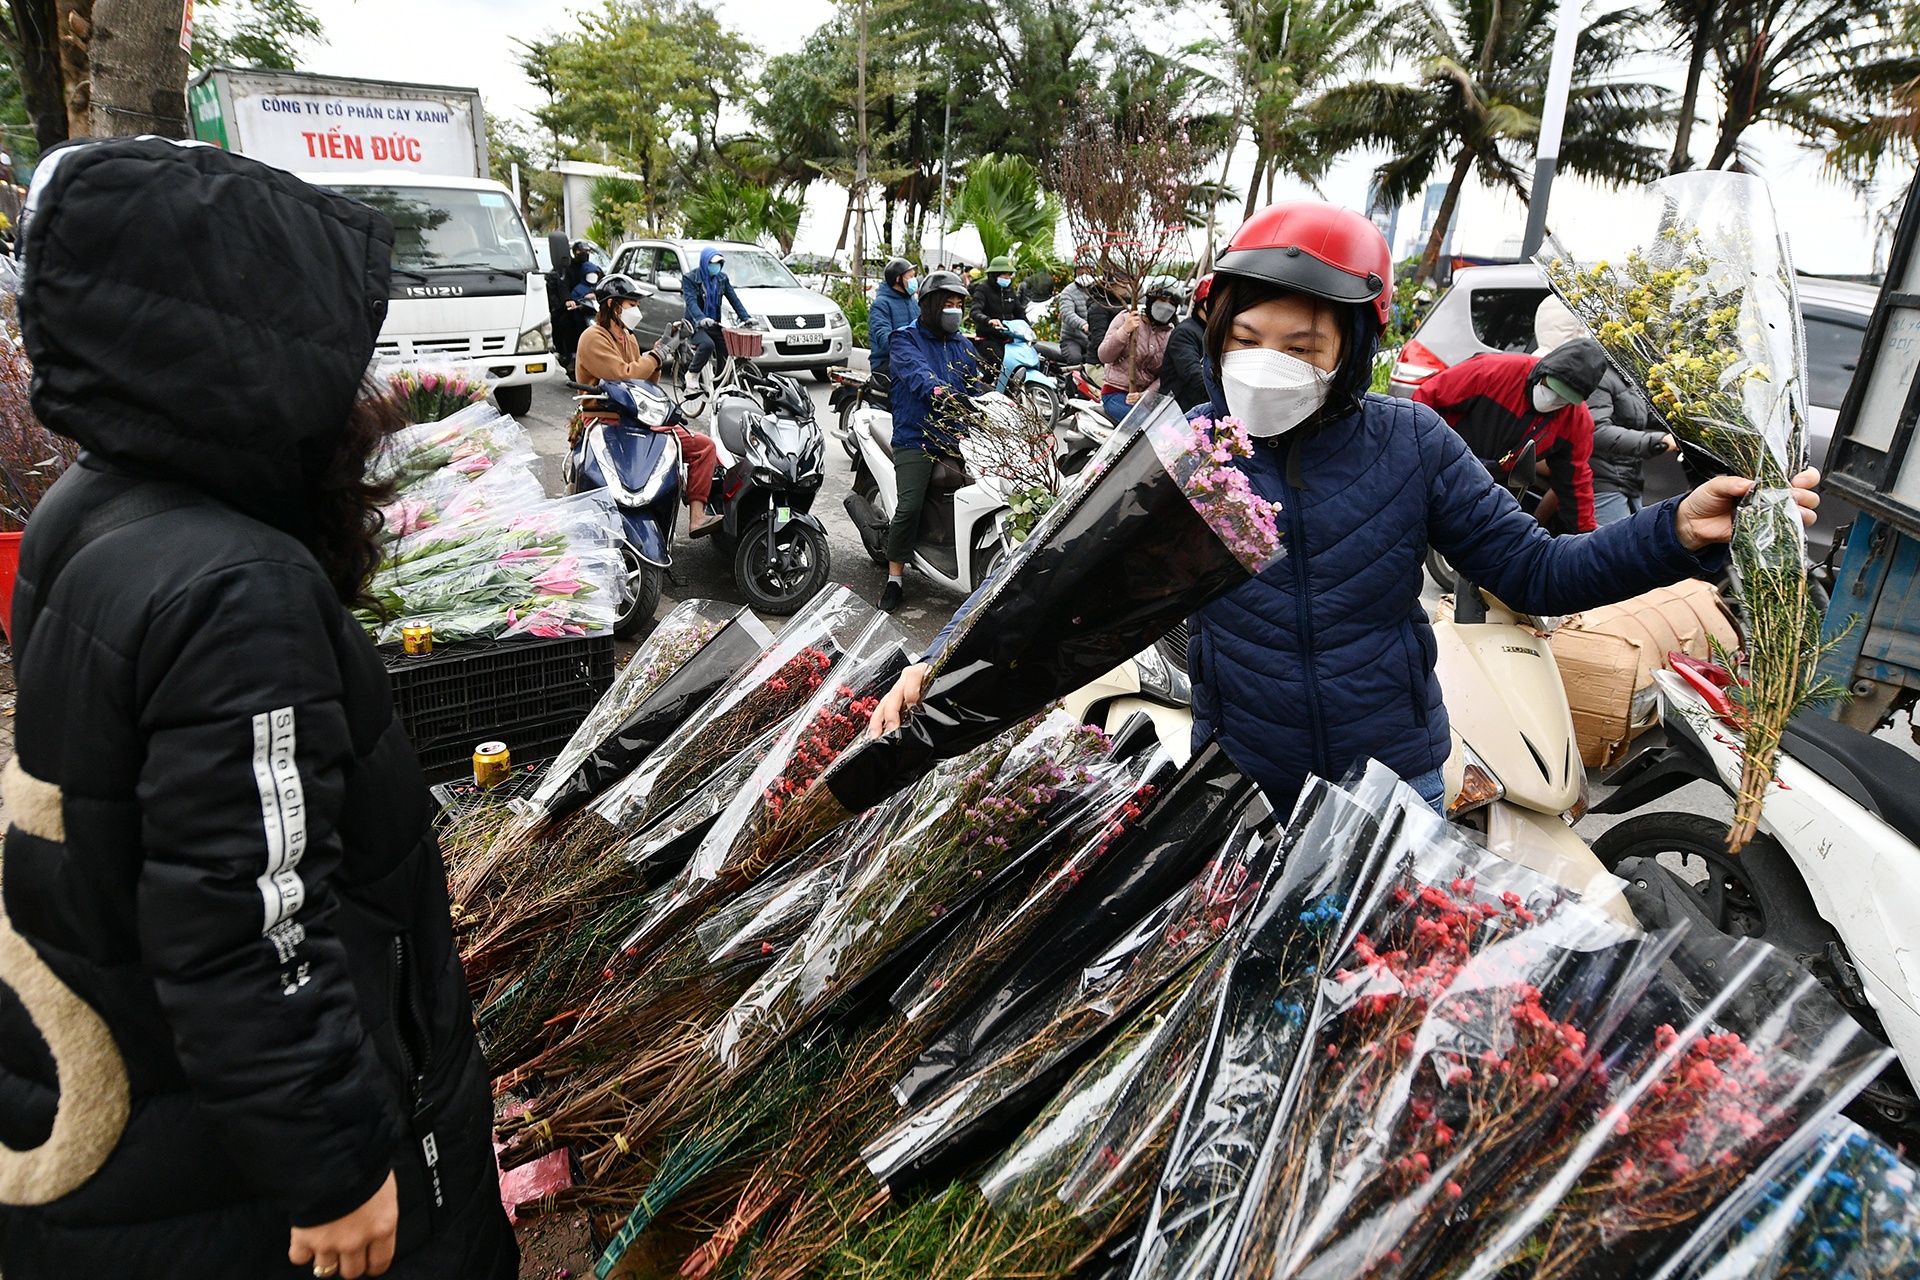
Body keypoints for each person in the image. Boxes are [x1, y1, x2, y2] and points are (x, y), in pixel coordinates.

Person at [0, 139, 516, 1279]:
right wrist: (332, 1165)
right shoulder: (239, 590)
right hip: (223, 1184)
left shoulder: (92, 506)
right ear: (248, 348)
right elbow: (248, 912)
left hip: (131, 1119)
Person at [868, 199, 1820, 817]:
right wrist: (946, 660)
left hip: (1391, 783)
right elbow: (1056, 575)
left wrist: (1674, 531)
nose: (1268, 360)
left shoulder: (1413, 444)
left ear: (1353, 348)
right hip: (1240, 778)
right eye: (1245, 336)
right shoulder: (1191, 454)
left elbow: (1538, 568)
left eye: (1302, 341)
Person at [574, 274, 723, 537]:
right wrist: (657, 354)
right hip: (606, 420)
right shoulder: (592, 337)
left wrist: (661, 351)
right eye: (632, 304)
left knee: (703, 447)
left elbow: (645, 381)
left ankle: (697, 516)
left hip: (637, 418)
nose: (637, 310)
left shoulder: (628, 338)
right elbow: (622, 374)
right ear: (612, 305)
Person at [1411, 337, 1609, 533]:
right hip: (1442, 465)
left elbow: (1575, 482)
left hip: (1494, 487)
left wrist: (1585, 535)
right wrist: (1420, 459)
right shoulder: (1493, 370)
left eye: (1564, 399)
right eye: (1552, 390)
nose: (1554, 399)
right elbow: (1423, 404)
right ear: (1544, 372)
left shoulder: (1576, 420)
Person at [879, 269, 983, 613]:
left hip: (956, 437)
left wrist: (990, 400)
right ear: (931, 306)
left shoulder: (962, 344)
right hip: (916, 437)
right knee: (908, 507)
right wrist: (944, 393)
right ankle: (895, 578)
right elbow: (918, 376)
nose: (954, 310)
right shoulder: (904, 339)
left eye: (959, 304)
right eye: (948, 304)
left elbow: (975, 384)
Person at [1535, 295, 1675, 526]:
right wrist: (1655, 441)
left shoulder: (1625, 375)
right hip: (1603, 479)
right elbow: (1596, 430)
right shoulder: (1596, 373)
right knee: (1613, 554)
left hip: (1626, 479)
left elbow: (1638, 413)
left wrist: (1678, 418)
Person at [1097, 278, 1181, 423]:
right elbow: (1104, 355)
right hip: (1115, 393)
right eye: (1161, 300)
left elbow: (1166, 374)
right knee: (1147, 425)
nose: (1166, 307)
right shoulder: (1126, 318)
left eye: (1172, 304)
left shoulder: (1171, 334)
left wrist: (1145, 395)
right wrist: (1124, 331)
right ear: (1151, 299)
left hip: (1145, 401)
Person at [680, 246, 753, 386]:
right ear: (705, 262)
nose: (716, 267)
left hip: (714, 324)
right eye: (712, 263)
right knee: (707, 345)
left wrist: (746, 317)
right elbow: (691, 302)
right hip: (696, 326)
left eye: (719, 263)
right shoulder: (690, 278)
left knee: (728, 348)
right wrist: (701, 319)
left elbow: (734, 299)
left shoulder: (722, 279)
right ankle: (692, 373)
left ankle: (721, 384)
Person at [1161, 272, 1214, 411]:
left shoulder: (1214, 334)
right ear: (1201, 303)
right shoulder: (1185, 332)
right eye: (1214, 302)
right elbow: (1194, 375)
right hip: (1178, 413)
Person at [969, 255, 1024, 374]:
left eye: (1009, 275)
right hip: (987, 339)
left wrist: (1028, 328)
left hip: (1007, 338)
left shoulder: (1009, 291)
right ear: (995, 275)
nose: (1007, 278)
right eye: (1004, 274)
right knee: (999, 362)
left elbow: (1019, 311)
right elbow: (974, 311)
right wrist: (989, 321)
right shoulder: (983, 289)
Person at [868, 257, 919, 375]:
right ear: (898, 279)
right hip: (887, 363)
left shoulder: (913, 302)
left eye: (914, 276)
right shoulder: (881, 304)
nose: (914, 280)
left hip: (913, 360)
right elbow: (883, 337)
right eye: (910, 277)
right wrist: (907, 348)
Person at [556, 238, 601, 370]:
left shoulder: (592, 268)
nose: (585, 253)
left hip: (592, 307)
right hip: (575, 306)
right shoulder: (568, 269)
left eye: (587, 251)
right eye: (581, 251)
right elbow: (563, 286)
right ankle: (569, 353)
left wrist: (598, 294)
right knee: (563, 322)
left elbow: (603, 282)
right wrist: (568, 300)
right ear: (575, 252)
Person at [1055, 257, 1094, 368]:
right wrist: (1083, 325)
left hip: (1092, 339)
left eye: (1088, 268)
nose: (1084, 272)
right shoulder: (1068, 292)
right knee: (1075, 359)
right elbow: (1067, 313)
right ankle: (1070, 385)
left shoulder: (1098, 291)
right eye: (1081, 268)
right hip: (1072, 339)